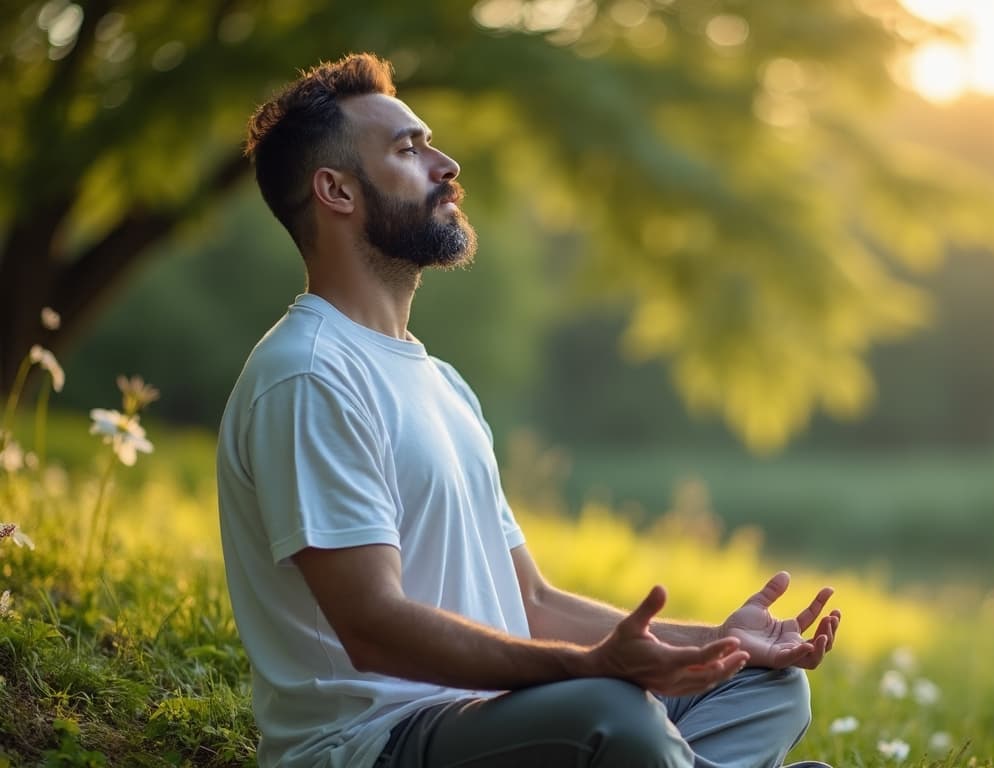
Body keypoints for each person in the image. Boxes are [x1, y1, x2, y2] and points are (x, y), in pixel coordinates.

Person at [217, 52, 841, 768]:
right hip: (379, 743)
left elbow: (533, 599)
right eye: (408, 149)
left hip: (500, 717)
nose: (445, 164)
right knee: (612, 714)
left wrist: (717, 643)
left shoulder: (441, 381)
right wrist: (590, 669)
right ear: (336, 191)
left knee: (766, 685)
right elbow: (373, 626)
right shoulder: (308, 374)